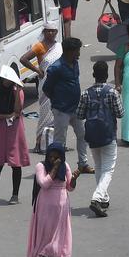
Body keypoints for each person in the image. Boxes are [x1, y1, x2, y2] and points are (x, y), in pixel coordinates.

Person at [27, 142, 76, 257]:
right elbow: (44, 183)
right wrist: (54, 168)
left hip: (61, 209)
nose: (54, 159)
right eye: (51, 156)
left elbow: (70, 187)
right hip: (45, 208)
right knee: (44, 241)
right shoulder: (41, 167)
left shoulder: (65, 166)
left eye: (57, 157)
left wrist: (74, 178)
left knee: (58, 241)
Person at [76, 61, 122, 217]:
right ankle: (97, 198)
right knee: (108, 169)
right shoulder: (112, 92)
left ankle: (103, 199)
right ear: (107, 75)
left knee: (99, 166)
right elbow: (120, 113)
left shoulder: (85, 93)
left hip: (92, 136)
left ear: (93, 75)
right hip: (108, 135)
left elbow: (80, 115)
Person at [44, 37, 92, 174]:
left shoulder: (75, 63)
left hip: (76, 108)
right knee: (60, 141)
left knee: (82, 135)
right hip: (61, 110)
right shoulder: (56, 68)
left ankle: (83, 164)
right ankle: (58, 168)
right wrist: (58, 102)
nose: (79, 54)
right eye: (77, 51)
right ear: (69, 51)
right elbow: (47, 89)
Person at [0, 66, 30, 205]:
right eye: (6, 80)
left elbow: (18, 110)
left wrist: (18, 91)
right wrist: (6, 116)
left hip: (15, 131)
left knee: (16, 163)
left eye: (11, 80)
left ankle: (15, 195)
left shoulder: (18, 93)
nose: (8, 83)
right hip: (0, 131)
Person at [19, 20, 62, 153]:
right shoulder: (39, 46)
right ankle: (39, 142)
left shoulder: (59, 46)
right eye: (48, 31)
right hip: (45, 84)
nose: (51, 33)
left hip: (58, 83)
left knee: (57, 114)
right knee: (45, 114)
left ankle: (53, 143)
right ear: (44, 32)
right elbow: (23, 59)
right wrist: (37, 70)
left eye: (53, 31)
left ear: (56, 32)